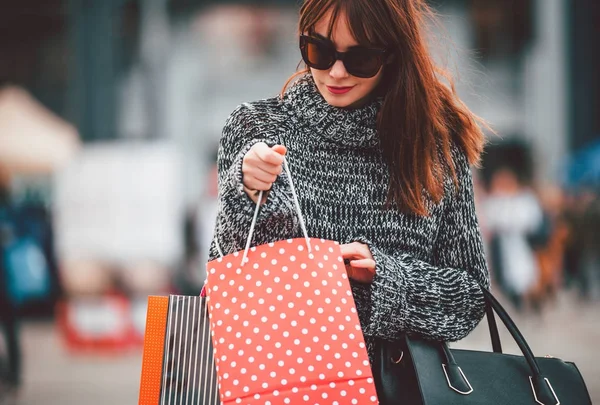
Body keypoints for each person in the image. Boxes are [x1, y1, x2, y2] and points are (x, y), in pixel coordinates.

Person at [208, 0, 490, 364]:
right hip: (279, 384)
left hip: (400, 390)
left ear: (392, 54)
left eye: (360, 59)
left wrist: (386, 278)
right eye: (319, 51)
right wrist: (243, 193)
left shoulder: (435, 144)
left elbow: (469, 297)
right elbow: (226, 281)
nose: (336, 72)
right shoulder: (256, 128)